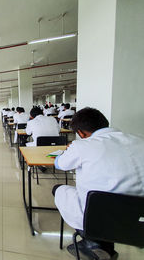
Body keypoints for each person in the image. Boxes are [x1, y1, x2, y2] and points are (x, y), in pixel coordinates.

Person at [53, 107, 144, 260]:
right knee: (107, 203)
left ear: (81, 133)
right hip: (138, 220)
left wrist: (66, 153)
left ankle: (94, 242)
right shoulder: (140, 140)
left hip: (98, 216)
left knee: (59, 189)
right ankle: (103, 246)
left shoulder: (82, 146)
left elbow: (60, 164)